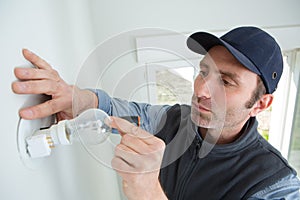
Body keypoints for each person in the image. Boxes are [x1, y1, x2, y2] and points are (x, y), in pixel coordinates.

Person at [12, 26, 300, 200]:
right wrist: (75, 98)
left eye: (225, 81)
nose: (201, 90)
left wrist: (148, 191)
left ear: (260, 105)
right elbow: (118, 111)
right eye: (203, 72)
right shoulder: (175, 120)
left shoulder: (275, 185)